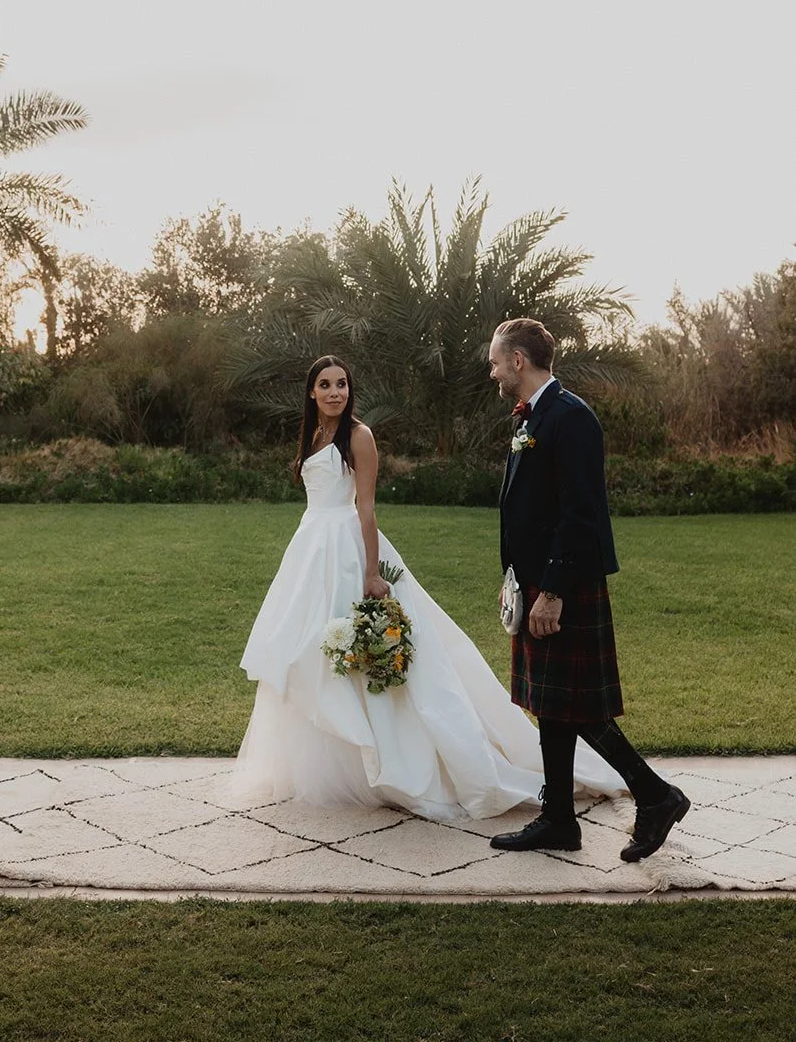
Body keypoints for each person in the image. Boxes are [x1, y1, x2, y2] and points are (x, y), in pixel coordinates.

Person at [229, 354, 625, 821]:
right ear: (311, 392)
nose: (335, 392)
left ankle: (406, 760)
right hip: (309, 552)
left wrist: (372, 573)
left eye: (342, 384)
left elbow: (367, 509)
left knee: (369, 652)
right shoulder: (312, 436)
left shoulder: (358, 436)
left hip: (349, 549)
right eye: (325, 384)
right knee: (307, 653)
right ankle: (333, 768)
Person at [487, 318, 690, 858]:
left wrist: (552, 590)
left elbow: (580, 515)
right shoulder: (535, 415)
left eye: (495, 360)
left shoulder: (571, 418)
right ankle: (559, 820)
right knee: (553, 706)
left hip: (565, 581)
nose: (492, 370)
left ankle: (655, 796)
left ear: (518, 362)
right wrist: (520, 583)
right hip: (536, 580)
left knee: (575, 706)